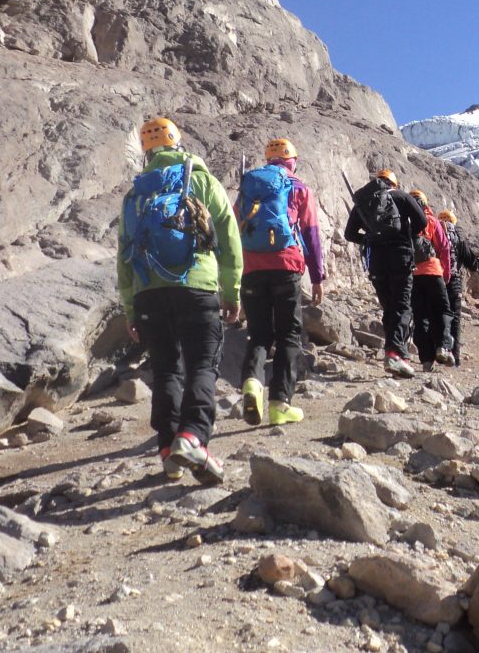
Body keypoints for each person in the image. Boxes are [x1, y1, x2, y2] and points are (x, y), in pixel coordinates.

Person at [118, 117, 241, 485]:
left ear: (147, 151)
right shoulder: (202, 180)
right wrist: (231, 290)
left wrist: (130, 308)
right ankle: (193, 436)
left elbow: (123, 254)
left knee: (166, 370)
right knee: (203, 364)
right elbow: (229, 238)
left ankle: (169, 450)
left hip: (148, 295)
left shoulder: (136, 193)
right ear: (178, 142)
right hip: (197, 287)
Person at [236, 138, 327, 426]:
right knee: (288, 334)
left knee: (259, 333)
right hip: (286, 265)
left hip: (252, 266)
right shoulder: (299, 187)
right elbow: (311, 234)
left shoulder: (250, 186)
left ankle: (251, 382)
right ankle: (280, 403)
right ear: (293, 161)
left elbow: (235, 228)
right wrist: (317, 277)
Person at [343, 169, 426, 378]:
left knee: (389, 306)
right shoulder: (402, 197)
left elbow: (349, 234)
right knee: (402, 306)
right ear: (393, 184)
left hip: (376, 261)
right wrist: (407, 233)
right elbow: (422, 222)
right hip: (401, 256)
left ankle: (401, 356)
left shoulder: (364, 202)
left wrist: (370, 239)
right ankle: (393, 353)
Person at [409, 190, 454, 372]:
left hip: (413, 275)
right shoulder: (432, 221)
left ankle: (426, 360)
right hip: (434, 272)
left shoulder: (405, 222)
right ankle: (443, 346)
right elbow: (444, 248)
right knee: (442, 309)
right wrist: (446, 274)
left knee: (421, 317)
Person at [437, 209, 479, 366]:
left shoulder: (435, 232)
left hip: (436, 280)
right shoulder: (457, 235)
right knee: (455, 318)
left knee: (438, 314)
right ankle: (454, 358)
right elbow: (471, 262)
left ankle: (438, 350)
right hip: (454, 281)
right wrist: (478, 263)